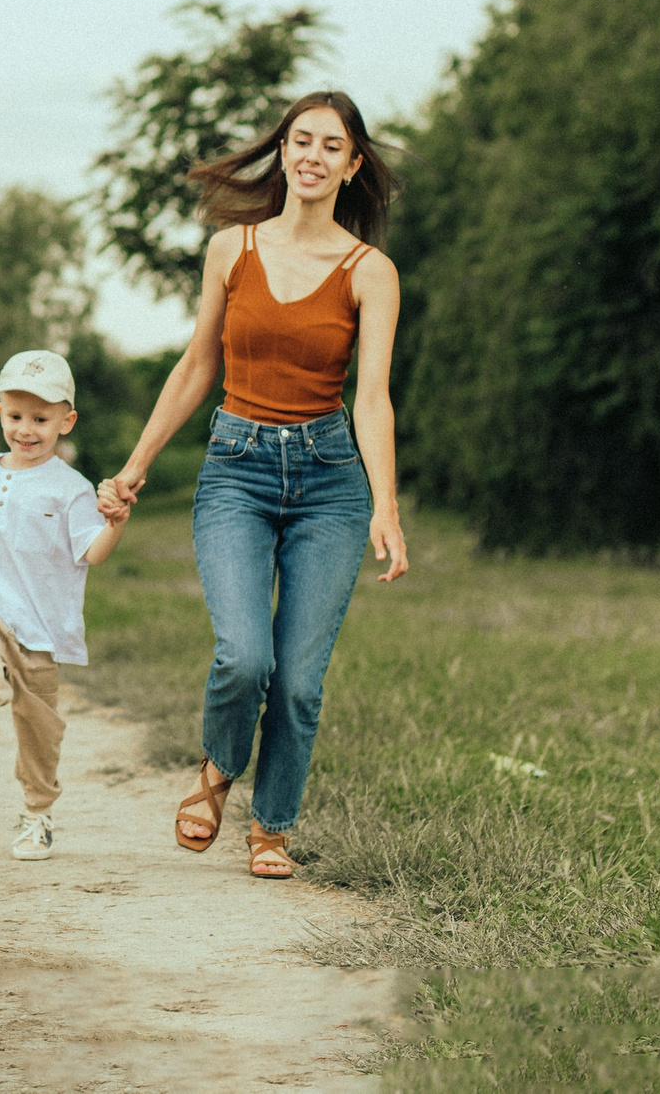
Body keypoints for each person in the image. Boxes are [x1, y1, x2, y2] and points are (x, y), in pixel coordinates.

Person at [100, 91, 408, 881]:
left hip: (329, 482)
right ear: (283, 153)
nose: (310, 155)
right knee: (243, 655)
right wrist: (135, 466)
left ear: (352, 164)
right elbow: (198, 363)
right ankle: (216, 771)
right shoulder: (230, 250)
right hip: (236, 467)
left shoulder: (370, 271)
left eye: (329, 145)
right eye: (298, 140)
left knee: (300, 680)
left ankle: (271, 826)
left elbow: (371, 395)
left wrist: (386, 505)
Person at [0, 349, 130, 861]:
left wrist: (116, 523)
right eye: (15, 416)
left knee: (39, 730)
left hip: (42, 627)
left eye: (41, 419)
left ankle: (37, 814)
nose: (26, 430)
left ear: (67, 421)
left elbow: (91, 554)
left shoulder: (74, 489)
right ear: (0, 410)